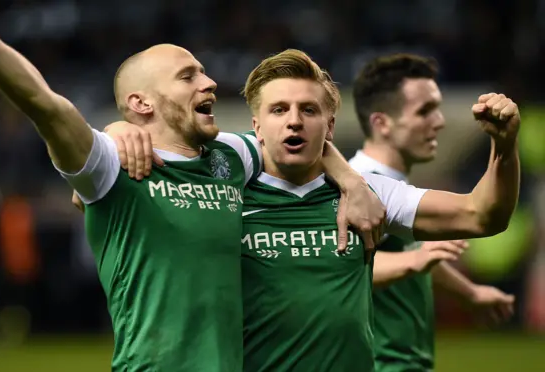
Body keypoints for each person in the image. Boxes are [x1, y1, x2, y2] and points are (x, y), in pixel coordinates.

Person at [0, 1, 385, 370]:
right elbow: (43, 104)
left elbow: (298, 141)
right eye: (188, 76)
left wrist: (351, 180)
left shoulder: (231, 156)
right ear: (140, 101)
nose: (208, 82)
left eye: (203, 72)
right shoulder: (108, 164)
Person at [105, 49, 520, 371]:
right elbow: (114, 179)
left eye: (309, 110)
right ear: (256, 126)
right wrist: (119, 132)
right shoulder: (222, 188)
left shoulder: (369, 194)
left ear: (331, 126)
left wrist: (503, 147)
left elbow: (481, 216)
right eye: (279, 109)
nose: (294, 121)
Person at [349, 53, 516, 372]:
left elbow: (411, 254)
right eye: (424, 111)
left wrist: (469, 292)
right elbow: (339, 265)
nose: (439, 121)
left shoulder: (391, 188)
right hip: (382, 364)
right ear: (382, 123)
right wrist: (504, 146)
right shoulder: (360, 189)